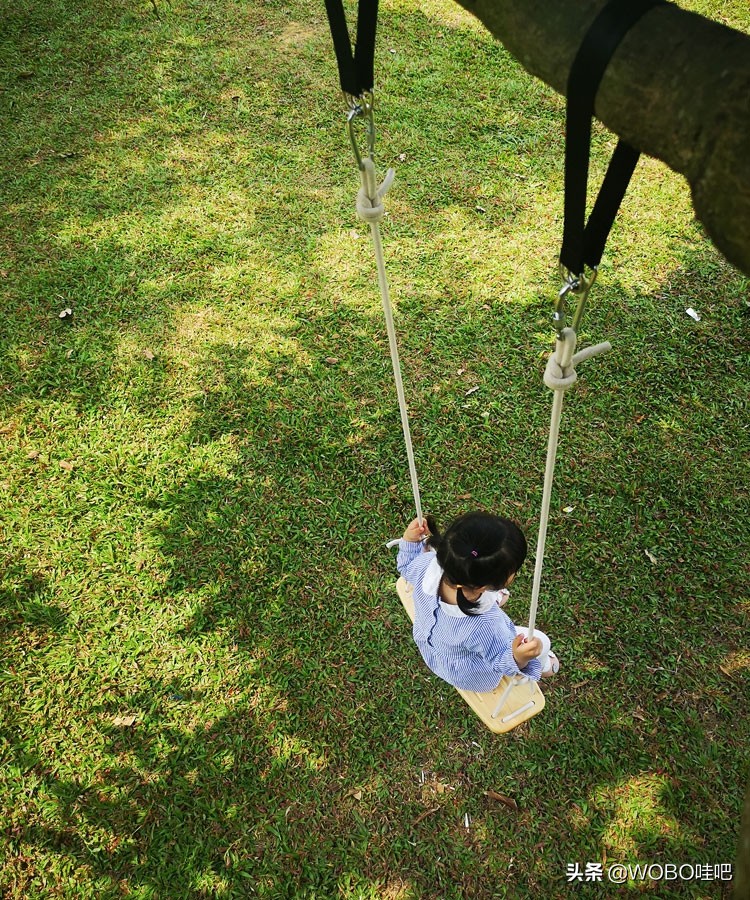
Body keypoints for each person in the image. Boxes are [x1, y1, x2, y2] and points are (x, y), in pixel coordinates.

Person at [397, 511, 559, 693]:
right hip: (471, 677)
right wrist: (518, 657)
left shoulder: (424, 565)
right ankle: (545, 663)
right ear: (486, 586)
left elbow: (406, 565)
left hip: (432, 649)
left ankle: (495, 597)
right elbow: (501, 659)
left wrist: (409, 540)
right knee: (541, 641)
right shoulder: (486, 625)